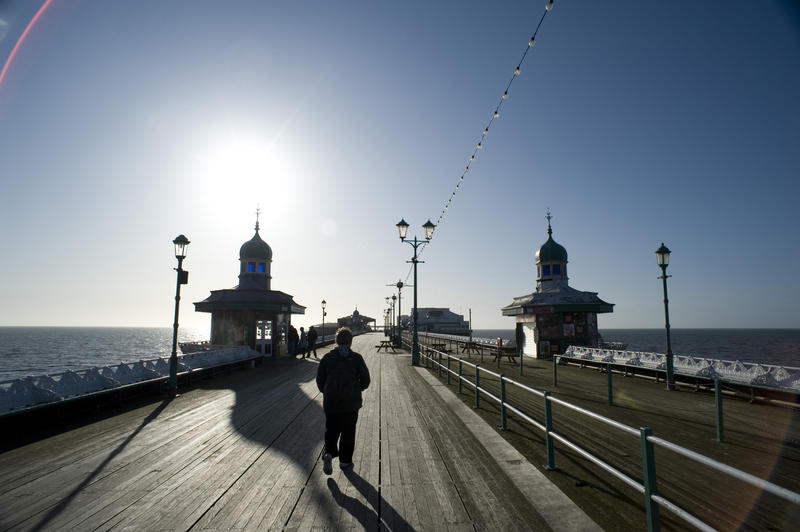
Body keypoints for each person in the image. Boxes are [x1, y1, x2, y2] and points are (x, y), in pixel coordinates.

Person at [316, 327, 370, 474]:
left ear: (336, 341)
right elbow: (366, 380)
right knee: (348, 432)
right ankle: (345, 462)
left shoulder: (327, 358)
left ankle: (328, 453)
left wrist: (328, 392)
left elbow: (320, 381)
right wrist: (357, 389)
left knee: (331, 429)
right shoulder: (357, 358)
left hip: (331, 403)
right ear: (350, 342)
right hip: (351, 404)